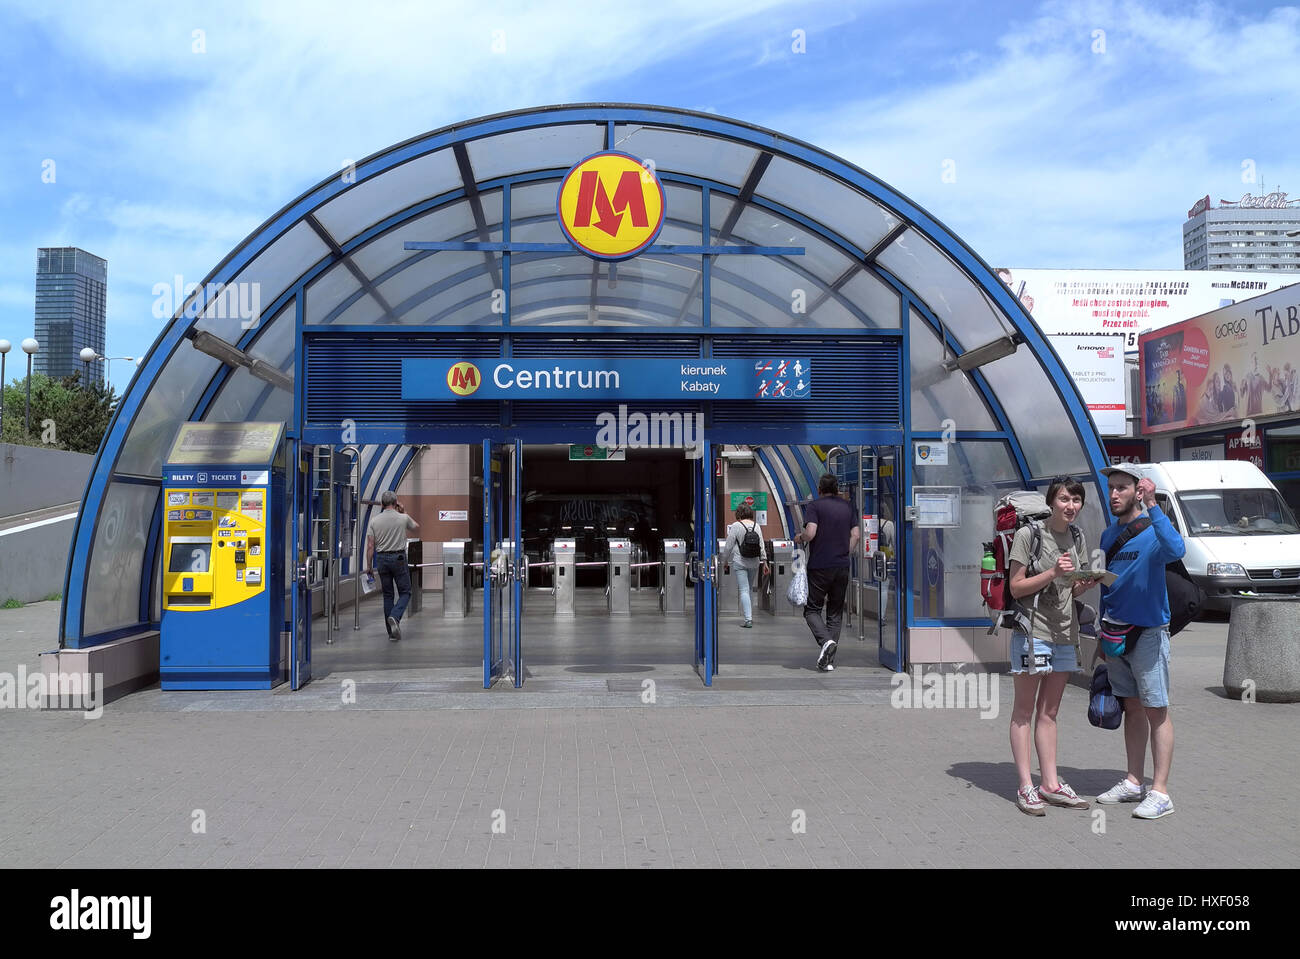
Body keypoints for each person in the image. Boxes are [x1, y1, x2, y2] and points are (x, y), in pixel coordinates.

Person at [1006, 477, 1101, 816]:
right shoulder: (1028, 536)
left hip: (1065, 632)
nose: (1070, 505)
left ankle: (1050, 783)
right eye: (1064, 499)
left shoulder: (1077, 536)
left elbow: (1068, 589)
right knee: (1023, 711)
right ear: (1051, 502)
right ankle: (1026, 787)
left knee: (1049, 713)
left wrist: (1083, 583)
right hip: (1033, 631)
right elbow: (1016, 588)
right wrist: (1050, 571)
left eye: (1076, 499)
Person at [1095, 465, 1186, 820]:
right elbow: (1106, 584)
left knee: (1156, 710)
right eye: (1111, 488)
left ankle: (1160, 791)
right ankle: (1134, 781)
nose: (1114, 494)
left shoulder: (1153, 530)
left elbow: (1176, 548)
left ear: (1137, 491)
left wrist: (1153, 505)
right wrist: (1101, 634)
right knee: (1132, 708)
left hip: (1148, 632)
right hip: (1114, 633)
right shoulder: (1106, 536)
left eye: (1121, 488)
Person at [795, 473, 859, 671]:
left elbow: (811, 532)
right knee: (835, 612)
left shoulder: (815, 506)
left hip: (820, 566)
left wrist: (800, 537)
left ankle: (825, 642)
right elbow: (856, 535)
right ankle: (828, 661)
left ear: (820, 490)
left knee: (812, 609)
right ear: (836, 488)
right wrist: (844, 551)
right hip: (842, 565)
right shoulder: (848, 507)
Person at [366, 490, 420, 641]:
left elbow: (370, 546)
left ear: (382, 504)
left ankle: (392, 633)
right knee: (405, 592)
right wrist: (404, 512)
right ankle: (395, 617)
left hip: (381, 559)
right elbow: (416, 527)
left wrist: (369, 565)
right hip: (399, 558)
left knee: (388, 595)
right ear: (395, 503)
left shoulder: (374, 521)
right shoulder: (402, 518)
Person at [719, 503, 768, 628]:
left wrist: (724, 560)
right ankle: (749, 615)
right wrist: (765, 562)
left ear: (739, 514)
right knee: (749, 589)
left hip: (740, 561)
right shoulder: (757, 526)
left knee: (744, 590)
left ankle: (748, 619)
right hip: (754, 562)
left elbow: (729, 545)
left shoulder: (736, 526)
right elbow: (761, 545)